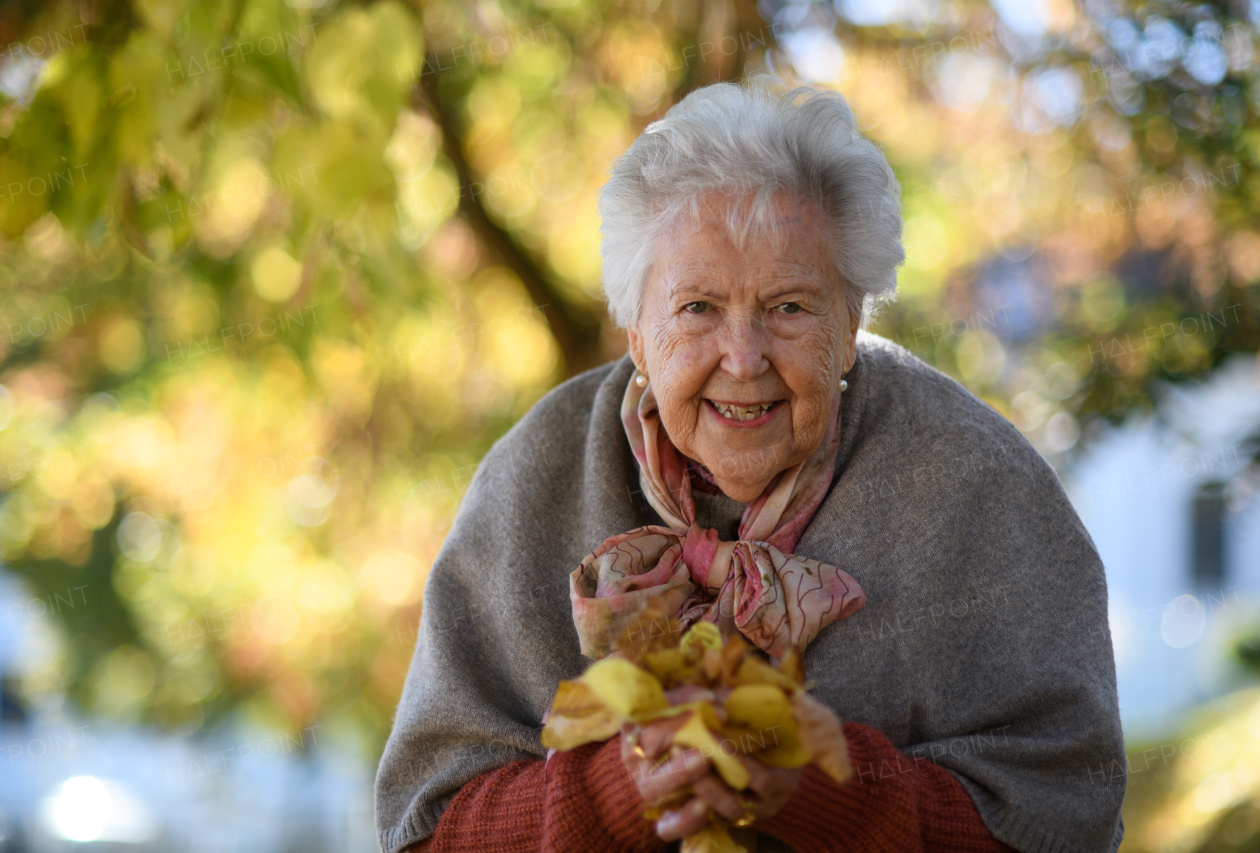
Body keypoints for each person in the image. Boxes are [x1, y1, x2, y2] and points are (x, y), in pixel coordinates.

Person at [376, 79, 1126, 853]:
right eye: (698, 307)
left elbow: (1067, 817)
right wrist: (616, 792)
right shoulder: (535, 476)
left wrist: (820, 788)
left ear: (851, 320)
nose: (743, 359)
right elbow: (425, 828)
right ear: (636, 332)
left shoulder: (978, 481)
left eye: (790, 307)